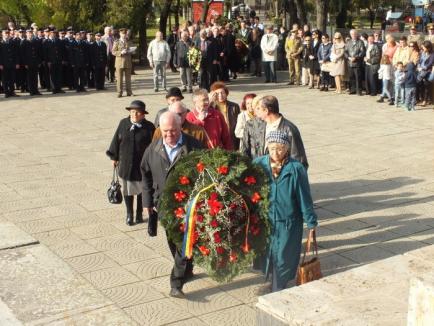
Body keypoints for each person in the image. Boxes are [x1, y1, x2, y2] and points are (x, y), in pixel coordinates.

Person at [141, 111, 204, 298]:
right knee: (172, 240)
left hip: (187, 204)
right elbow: (145, 175)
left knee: (183, 242)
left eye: (174, 131)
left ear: (180, 127)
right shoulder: (153, 149)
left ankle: (176, 283)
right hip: (163, 205)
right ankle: (187, 267)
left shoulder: (193, 146)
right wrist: (147, 202)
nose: (170, 135)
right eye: (166, 131)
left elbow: (204, 172)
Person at [253, 130, 317, 292]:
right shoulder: (259, 164)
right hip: (266, 220)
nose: (276, 152)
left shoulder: (296, 169)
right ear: (267, 146)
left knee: (283, 256)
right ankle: (274, 282)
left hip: (288, 222)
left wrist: (311, 221)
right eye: (272, 148)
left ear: (287, 149)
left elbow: (304, 196)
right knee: (269, 254)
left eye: (280, 148)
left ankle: (278, 287)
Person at [106, 100, 155, 225]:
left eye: (137, 112)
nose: (134, 115)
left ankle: (139, 213)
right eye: (132, 112)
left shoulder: (149, 127)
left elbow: (154, 145)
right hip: (126, 163)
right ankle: (129, 214)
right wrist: (114, 157)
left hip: (142, 164)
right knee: (128, 190)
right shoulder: (123, 123)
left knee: (141, 190)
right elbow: (116, 140)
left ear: (143, 114)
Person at [244, 95, 308, 168]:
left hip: (282, 175)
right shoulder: (262, 125)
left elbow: (299, 159)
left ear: (266, 111)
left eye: (259, 108)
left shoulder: (289, 129)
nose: (256, 111)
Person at [209, 81, 241, 150]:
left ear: (226, 93)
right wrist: (210, 102)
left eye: (222, 93)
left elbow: (239, 123)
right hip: (219, 138)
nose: (220, 95)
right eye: (217, 93)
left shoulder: (234, 106)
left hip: (232, 137)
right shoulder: (211, 108)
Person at [112, 28, 133, 97]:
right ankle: (119, 92)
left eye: (125, 33)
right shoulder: (116, 41)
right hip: (119, 62)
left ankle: (129, 92)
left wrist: (131, 51)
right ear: (120, 34)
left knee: (128, 79)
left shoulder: (129, 41)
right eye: (122, 34)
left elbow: (133, 49)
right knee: (119, 79)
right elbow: (113, 52)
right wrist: (120, 52)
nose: (124, 35)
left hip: (127, 62)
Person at [345, 29, 366, 95]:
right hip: (350, 62)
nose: (353, 35)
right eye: (352, 34)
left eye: (354, 34)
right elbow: (345, 52)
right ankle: (352, 90)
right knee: (351, 77)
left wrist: (356, 57)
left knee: (358, 77)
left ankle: (359, 91)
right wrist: (348, 57)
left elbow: (363, 52)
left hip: (357, 63)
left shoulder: (360, 42)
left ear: (356, 34)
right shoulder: (348, 42)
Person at [22, 29, 42, 96]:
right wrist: (25, 63)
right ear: (26, 34)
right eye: (28, 33)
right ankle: (31, 91)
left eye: (31, 33)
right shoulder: (24, 42)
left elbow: (39, 52)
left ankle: (36, 90)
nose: (30, 34)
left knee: (35, 77)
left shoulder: (35, 41)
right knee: (30, 77)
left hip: (35, 62)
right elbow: (23, 54)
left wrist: (39, 62)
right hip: (28, 63)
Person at [0, 29, 19, 98]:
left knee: (12, 78)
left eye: (8, 33)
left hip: (12, 63)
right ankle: (6, 92)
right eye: (5, 33)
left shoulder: (12, 42)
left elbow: (16, 53)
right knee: (4, 79)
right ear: (2, 34)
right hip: (4, 64)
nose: (7, 34)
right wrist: (0, 64)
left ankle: (12, 91)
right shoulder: (1, 42)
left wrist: (17, 63)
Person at [417, 41, 434, 107]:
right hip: (421, 70)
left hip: (428, 71)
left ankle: (425, 100)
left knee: (426, 83)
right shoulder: (422, 53)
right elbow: (419, 60)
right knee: (420, 83)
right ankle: (423, 99)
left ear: (428, 48)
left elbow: (430, 63)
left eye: (423, 47)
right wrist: (418, 66)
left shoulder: (432, 54)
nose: (422, 48)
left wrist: (422, 68)